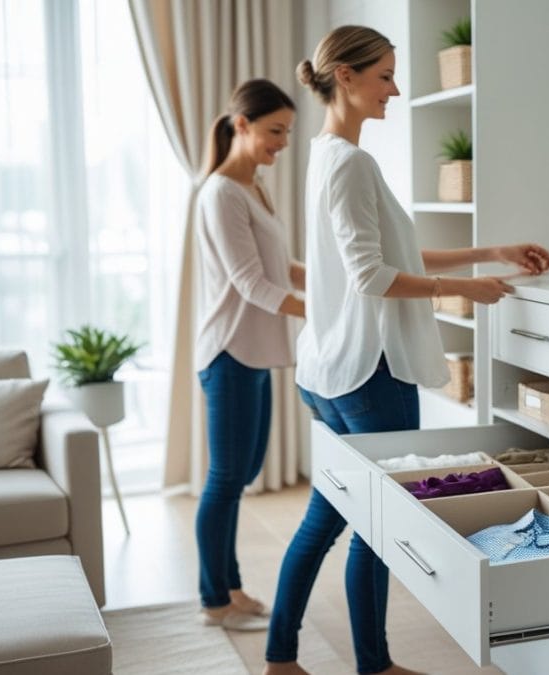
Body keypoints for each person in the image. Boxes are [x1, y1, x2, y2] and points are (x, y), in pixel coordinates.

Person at [264, 25, 549, 675]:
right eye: (386, 75)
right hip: (369, 371)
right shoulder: (352, 162)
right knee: (376, 520)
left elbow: (389, 256)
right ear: (345, 76)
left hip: (330, 366)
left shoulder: (327, 155)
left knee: (327, 517)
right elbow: (373, 276)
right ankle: (374, 666)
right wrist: (463, 289)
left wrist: (489, 251)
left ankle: (281, 657)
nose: (396, 88)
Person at [194, 79, 306, 631]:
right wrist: (319, 312)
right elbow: (250, 283)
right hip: (229, 351)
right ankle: (214, 600)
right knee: (225, 478)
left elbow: (280, 269)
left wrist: (335, 287)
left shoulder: (255, 188)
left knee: (240, 475)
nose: (282, 143)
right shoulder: (220, 193)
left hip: (254, 354)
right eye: (274, 131)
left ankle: (230, 586)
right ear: (242, 125)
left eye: (287, 132)